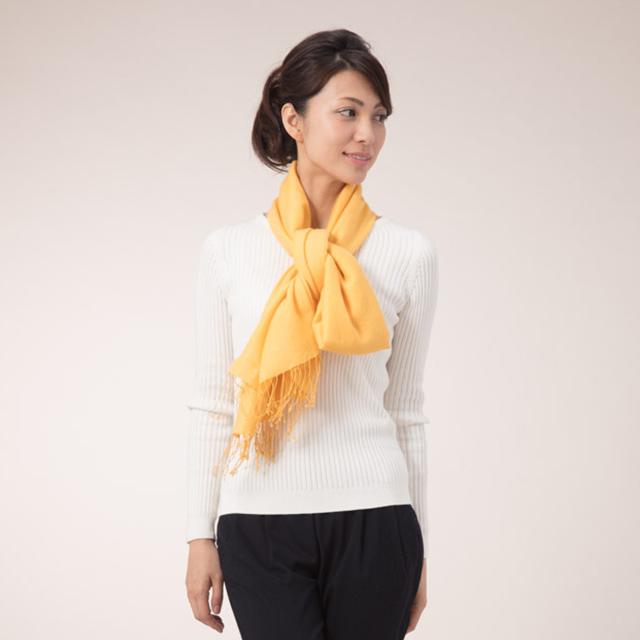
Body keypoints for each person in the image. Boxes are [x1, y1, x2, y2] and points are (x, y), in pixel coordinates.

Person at [185, 28, 439, 639]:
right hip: (258, 523)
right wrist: (199, 535)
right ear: (293, 120)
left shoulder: (408, 253)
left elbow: (406, 411)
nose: (367, 134)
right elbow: (214, 404)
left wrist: (421, 551)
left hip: (377, 520)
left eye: (379, 116)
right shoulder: (228, 250)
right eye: (347, 112)